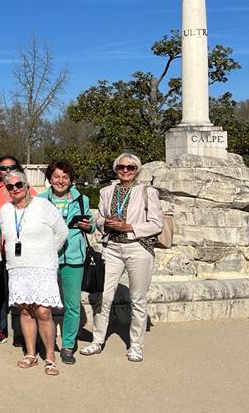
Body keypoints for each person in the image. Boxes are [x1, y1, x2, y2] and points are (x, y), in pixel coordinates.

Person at [81, 153, 163, 363]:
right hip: (113, 248)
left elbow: (156, 224)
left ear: (137, 170)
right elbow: (98, 218)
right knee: (104, 296)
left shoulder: (147, 191)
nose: (125, 171)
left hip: (138, 247)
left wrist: (130, 227)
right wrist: (105, 223)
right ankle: (98, 341)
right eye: (121, 167)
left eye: (130, 168)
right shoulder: (107, 191)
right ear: (116, 169)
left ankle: (136, 345)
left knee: (137, 299)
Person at [0, 170, 67, 376]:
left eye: (18, 184)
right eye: (10, 186)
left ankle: (50, 356)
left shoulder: (43, 205)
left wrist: (47, 252)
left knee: (44, 311)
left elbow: (62, 232)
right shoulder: (5, 210)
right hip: (18, 267)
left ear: (27, 185)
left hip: (43, 266)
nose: (15, 189)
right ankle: (30, 353)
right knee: (26, 310)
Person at [38, 159, 92, 365]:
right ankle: (46, 342)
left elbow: (92, 226)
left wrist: (88, 226)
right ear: (50, 178)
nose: (60, 181)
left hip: (74, 257)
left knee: (72, 305)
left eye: (65, 177)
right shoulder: (41, 200)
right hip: (48, 257)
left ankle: (68, 345)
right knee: (44, 304)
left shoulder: (82, 199)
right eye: (56, 177)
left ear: (71, 180)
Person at [0, 154, 34, 348]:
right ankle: (0, 330)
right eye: (3, 168)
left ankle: (24, 333)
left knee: (24, 294)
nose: (8, 171)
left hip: (24, 253)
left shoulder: (30, 192)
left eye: (12, 167)